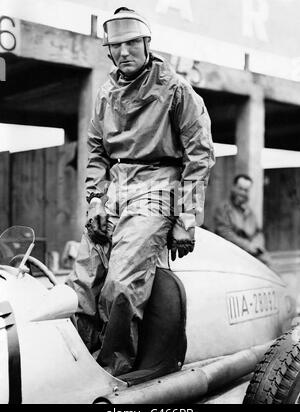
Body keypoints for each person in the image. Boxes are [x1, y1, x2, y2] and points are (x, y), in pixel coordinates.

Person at [67, 7, 215, 377]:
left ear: (147, 43)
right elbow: (98, 152)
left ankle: (112, 371)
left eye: (132, 42)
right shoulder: (105, 94)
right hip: (115, 189)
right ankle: (73, 366)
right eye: (116, 46)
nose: (124, 52)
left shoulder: (176, 90)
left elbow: (200, 154)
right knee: (82, 283)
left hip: (158, 188)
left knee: (120, 283)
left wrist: (185, 217)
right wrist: (96, 198)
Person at [213, 174, 271, 265]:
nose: (242, 193)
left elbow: (258, 232)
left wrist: (258, 244)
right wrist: (248, 246)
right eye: (240, 188)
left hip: (252, 252)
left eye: (246, 190)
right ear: (233, 187)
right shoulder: (223, 209)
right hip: (232, 253)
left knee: (269, 267)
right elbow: (225, 233)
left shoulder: (249, 211)